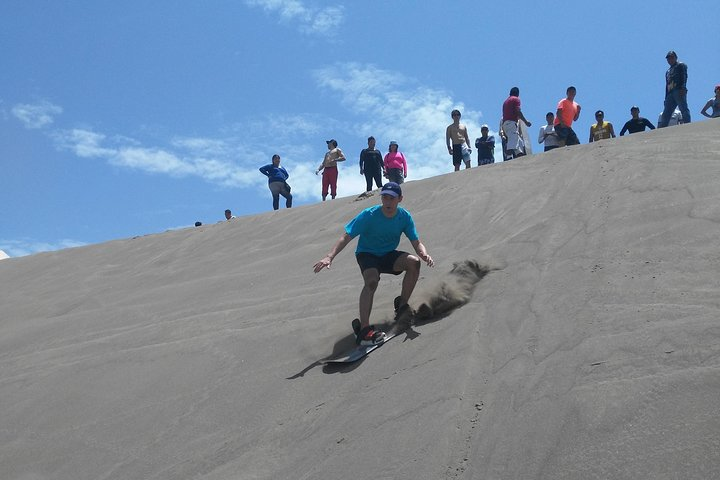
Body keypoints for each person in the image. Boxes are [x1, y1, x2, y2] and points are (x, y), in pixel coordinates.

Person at [313, 182, 434, 345]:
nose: (388, 201)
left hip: (388, 255)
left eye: (392, 198)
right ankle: (364, 330)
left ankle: (402, 308)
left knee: (414, 262)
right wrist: (329, 256)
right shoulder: (369, 215)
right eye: (384, 197)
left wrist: (424, 253)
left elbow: (416, 242)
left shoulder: (404, 217)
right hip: (367, 254)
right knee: (371, 281)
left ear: (400, 199)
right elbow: (346, 236)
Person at [659, 50, 691, 128]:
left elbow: (684, 76)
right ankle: (662, 129)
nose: (670, 59)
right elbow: (667, 85)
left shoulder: (680, 65)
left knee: (683, 108)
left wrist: (683, 87)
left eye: (671, 57)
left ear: (675, 57)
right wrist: (666, 97)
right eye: (668, 58)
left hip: (678, 89)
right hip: (670, 93)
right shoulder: (668, 71)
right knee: (666, 113)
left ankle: (688, 124)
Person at [501, 87, 532, 159]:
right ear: (518, 93)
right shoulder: (516, 99)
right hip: (511, 123)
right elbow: (518, 111)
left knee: (519, 143)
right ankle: (508, 158)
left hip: (505, 124)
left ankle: (520, 157)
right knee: (511, 144)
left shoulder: (506, 101)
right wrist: (526, 121)